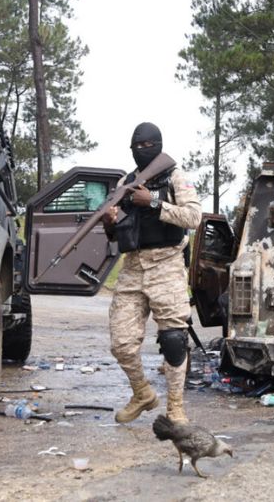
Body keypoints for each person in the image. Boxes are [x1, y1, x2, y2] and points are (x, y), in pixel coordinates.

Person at [103, 122, 202, 424]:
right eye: (137, 146)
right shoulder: (126, 182)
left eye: (147, 145)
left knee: (173, 340)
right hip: (133, 267)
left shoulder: (175, 176)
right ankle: (142, 393)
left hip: (167, 264)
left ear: (158, 145)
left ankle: (175, 408)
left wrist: (155, 202)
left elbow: (194, 217)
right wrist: (109, 222)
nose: (142, 150)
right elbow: (117, 232)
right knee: (121, 343)